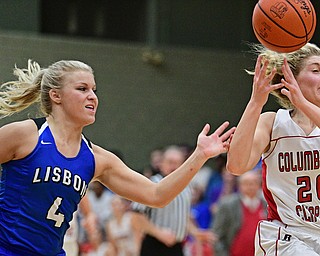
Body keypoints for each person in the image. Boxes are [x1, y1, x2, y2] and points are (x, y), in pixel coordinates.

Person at [0, 59, 235, 256]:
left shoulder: (97, 158)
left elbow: (156, 194)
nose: (92, 96)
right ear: (56, 96)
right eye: (82, 89)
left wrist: (200, 155)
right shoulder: (25, 135)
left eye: (94, 90)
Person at [226, 42, 320, 255]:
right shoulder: (272, 122)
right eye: (316, 70)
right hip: (287, 235)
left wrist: (303, 103)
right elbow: (237, 166)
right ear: (291, 79)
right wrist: (255, 102)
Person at [132, 145, 215, 256]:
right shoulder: (152, 183)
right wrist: (158, 233)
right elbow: (135, 217)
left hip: (177, 246)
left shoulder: (186, 187)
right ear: (161, 163)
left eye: (177, 163)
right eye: (170, 162)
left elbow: (182, 217)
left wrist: (195, 232)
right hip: (154, 246)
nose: (174, 166)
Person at [212, 170, 267, 256]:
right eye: (246, 183)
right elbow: (216, 236)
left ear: (259, 185)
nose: (250, 186)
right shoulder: (227, 205)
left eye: (254, 183)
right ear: (239, 185)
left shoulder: (266, 205)